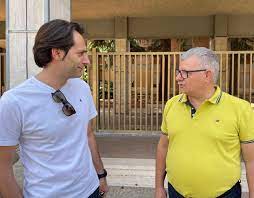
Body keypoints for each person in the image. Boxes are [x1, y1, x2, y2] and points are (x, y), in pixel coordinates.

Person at [0, 19, 109, 198]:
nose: (87, 60)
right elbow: (3, 170)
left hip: (90, 190)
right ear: (57, 53)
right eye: (80, 54)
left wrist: (101, 174)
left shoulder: (82, 88)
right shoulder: (13, 102)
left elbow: (88, 134)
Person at [155, 47, 254, 198]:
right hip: (176, 192)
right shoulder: (171, 105)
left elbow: (251, 160)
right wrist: (158, 187)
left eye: (185, 72)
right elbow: (163, 148)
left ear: (207, 75)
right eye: (178, 71)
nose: (178, 78)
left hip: (225, 194)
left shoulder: (240, 109)